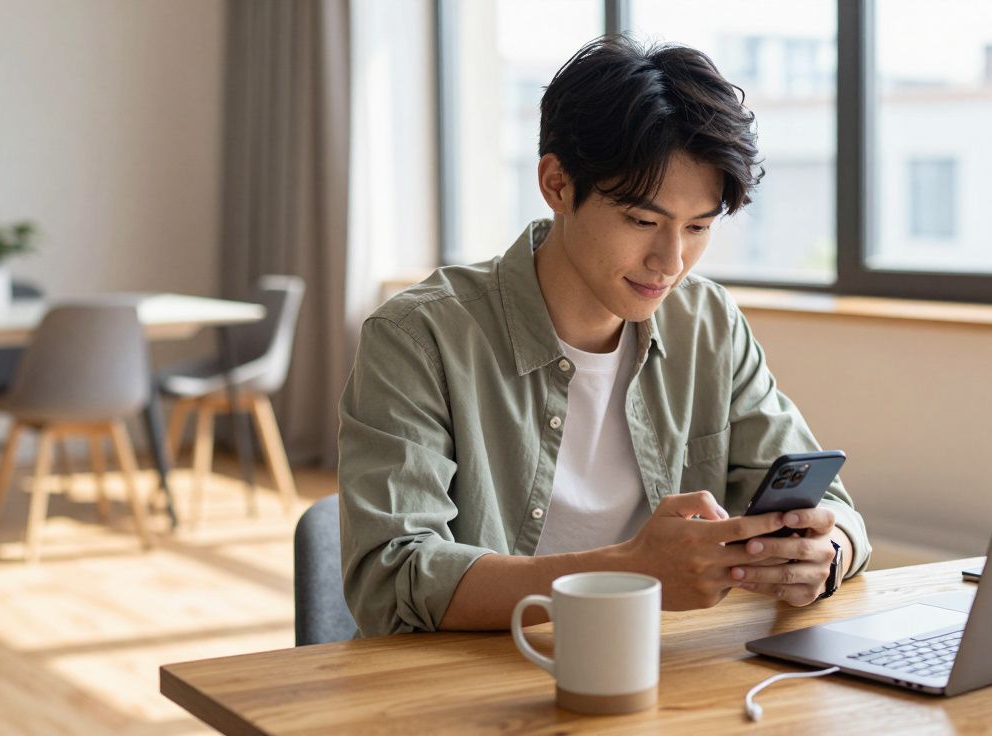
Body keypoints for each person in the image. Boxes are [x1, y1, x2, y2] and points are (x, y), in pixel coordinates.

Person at [338, 35, 871, 636]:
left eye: (698, 227)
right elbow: (392, 577)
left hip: (663, 671)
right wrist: (627, 573)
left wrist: (825, 557)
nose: (670, 261)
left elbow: (834, 512)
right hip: (475, 683)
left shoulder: (709, 324)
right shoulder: (420, 336)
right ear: (557, 184)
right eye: (643, 220)